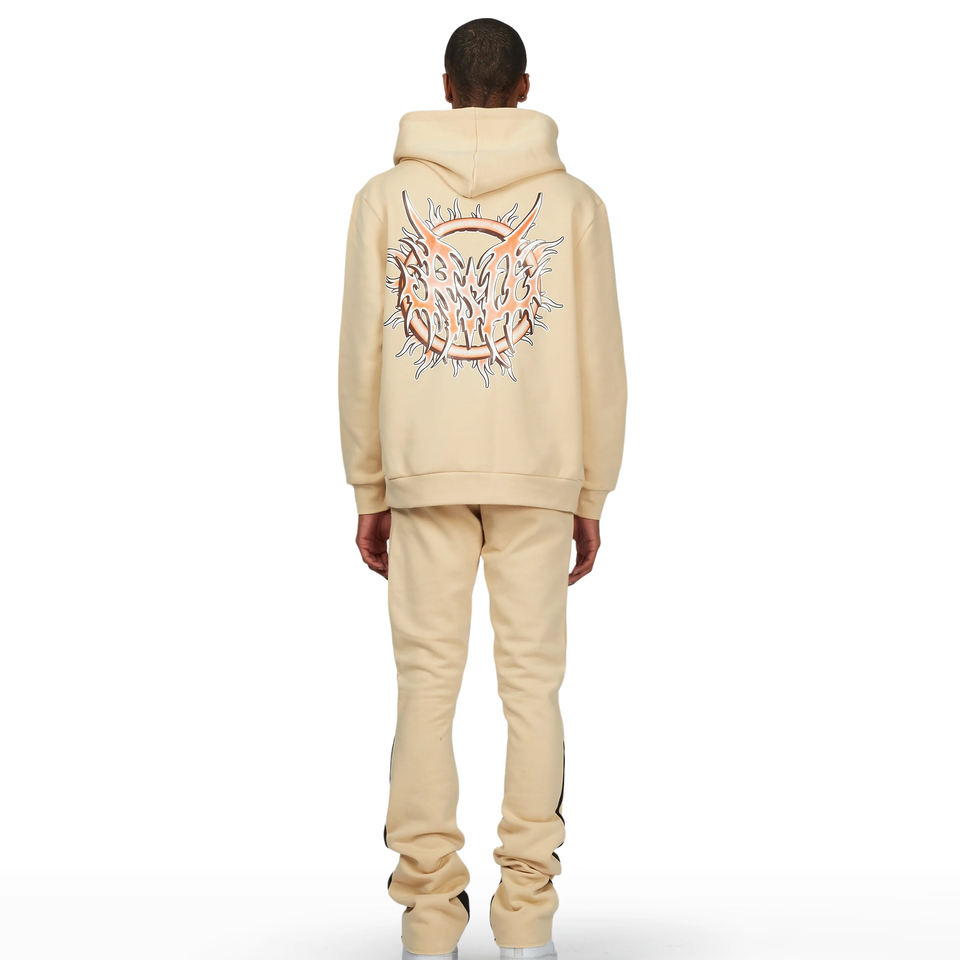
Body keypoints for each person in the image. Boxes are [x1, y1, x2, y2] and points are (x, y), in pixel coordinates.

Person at [337, 17, 627, 960]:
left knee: (426, 686)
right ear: (525, 88)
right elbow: (600, 357)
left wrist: (369, 485)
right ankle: (528, 922)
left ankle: (428, 922)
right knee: (532, 689)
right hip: (540, 474)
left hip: (423, 471)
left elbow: (361, 350)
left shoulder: (383, 199)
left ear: (446, 85)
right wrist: (593, 490)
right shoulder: (574, 205)